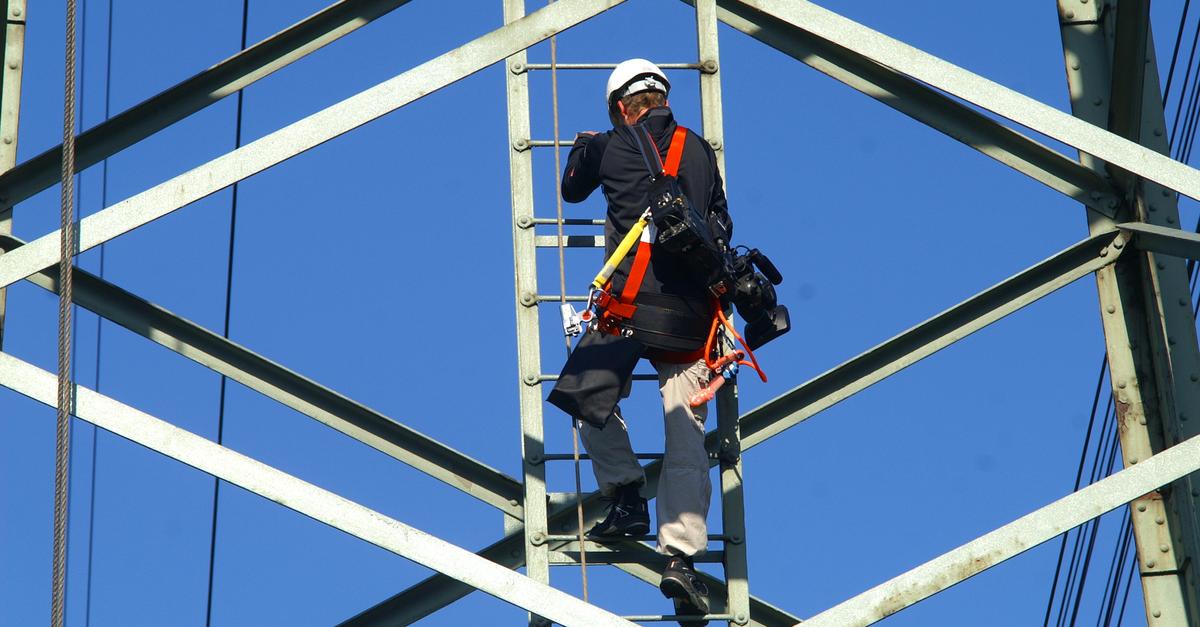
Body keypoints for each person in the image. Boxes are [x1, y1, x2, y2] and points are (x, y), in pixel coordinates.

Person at [559, 58, 732, 622]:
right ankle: (680, 560)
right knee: (685, 432)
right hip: (692, 318)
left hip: (630, 307)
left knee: (585, 394)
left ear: (619, 107)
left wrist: (585, 147)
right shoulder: (701, 150)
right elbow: (722, 225)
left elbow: (571, 191)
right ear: (664, 97)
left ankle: (627, 495)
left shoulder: (610, 145)